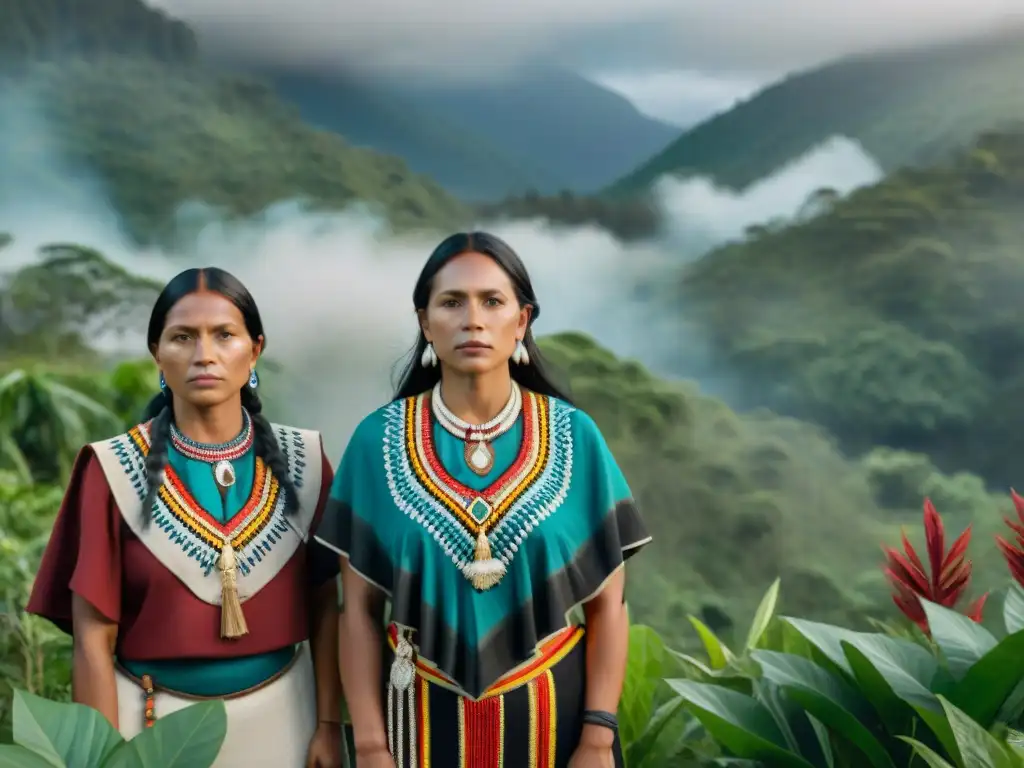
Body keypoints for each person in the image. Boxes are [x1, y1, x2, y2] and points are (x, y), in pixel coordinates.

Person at [314, 232, 652, 768]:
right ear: (425, 323)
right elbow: (356, 610)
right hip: (415, 724)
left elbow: (609, 606)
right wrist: (373, 746)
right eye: (452, 303)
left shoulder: (576, 437)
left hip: (556, 724)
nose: (473, 319)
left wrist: (597, 738)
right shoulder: (376, 443)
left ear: (521, 321)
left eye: (492, 302)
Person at [27, 267, 343, 768]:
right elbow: (92, 638)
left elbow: (329, 608)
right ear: (157, 352)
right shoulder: (110, 469)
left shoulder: (305, 461)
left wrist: (329, 726)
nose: (204, 354)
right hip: (153, 732)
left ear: (254, 349)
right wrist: (103, 758)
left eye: (224, 335)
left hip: (289, 723)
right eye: (182, 337)